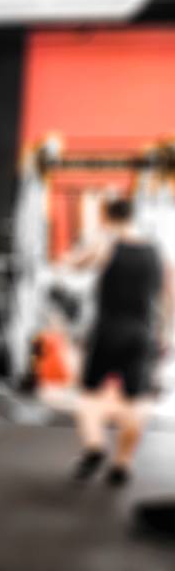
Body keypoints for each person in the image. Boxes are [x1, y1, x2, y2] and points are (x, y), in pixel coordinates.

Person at [64, 195, 172, 487]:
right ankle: (122, 463)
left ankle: (95, 446)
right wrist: (167, 333)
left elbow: (73, 264)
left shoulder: (106, 243)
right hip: (143, 333)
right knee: (136, 400)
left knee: (88, 395)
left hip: (108, 331)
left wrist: (93, 239)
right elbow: (169, 294)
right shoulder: (156, 250)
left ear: (106, 216)